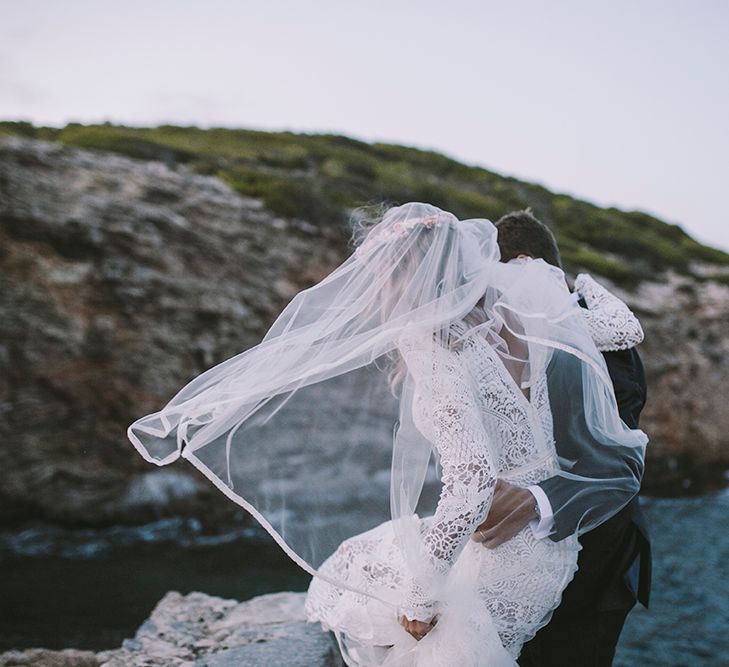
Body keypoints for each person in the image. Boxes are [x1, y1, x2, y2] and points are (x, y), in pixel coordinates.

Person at [127, 203, 648, 667]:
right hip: (554, 556)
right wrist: (586, 288)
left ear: (400, 277)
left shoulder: (430, 339)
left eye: (378, 277)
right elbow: (619, 330)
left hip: (502, 547)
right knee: (367, 556)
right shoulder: (524, 311)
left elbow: (473, 480)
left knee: (362, 586)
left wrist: (420, 600)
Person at [472, 209, 651, 666]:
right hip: (517, 557)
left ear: (526, 265)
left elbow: (618, 460)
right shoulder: (514, 334)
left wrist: (537, 498)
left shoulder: (600, 344)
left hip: (595, 561)